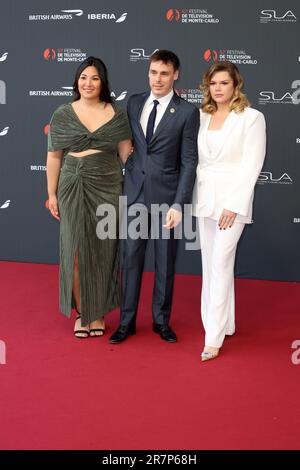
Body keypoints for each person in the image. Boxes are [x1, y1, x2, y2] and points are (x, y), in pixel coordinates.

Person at [109, 50, 199, 344]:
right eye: (153, 72)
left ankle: (161, 321)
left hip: (166, 200)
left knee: (165, 262)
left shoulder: (186, 111)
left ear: (176, 75)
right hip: (134, 194)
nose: (157, 79)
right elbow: (128, 142)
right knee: (130, 260)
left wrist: (179, 204)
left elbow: (188, 162)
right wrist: (129, 166)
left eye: (163, 73)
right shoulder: (134, 102)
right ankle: (127, 322)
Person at [46, 56, 132, 338]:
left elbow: (126, 156)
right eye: (83, 77)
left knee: (104, 250)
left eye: (94, 78)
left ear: (103, 82)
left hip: (107, 183)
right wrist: (51, 193)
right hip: (71, 184)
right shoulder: (62, 113)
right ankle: (84, 312)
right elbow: (54, 156)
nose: (88, 83)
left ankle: (98, 313)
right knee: (74, 249)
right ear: (77, 80)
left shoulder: (117, 113)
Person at [192, 61, 266, 361]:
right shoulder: (200, 116)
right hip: (204, 198)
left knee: (220, 263)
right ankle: (225, 323)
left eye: (224, 83)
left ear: (236, 85)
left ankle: (213, 338)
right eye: (213, 83)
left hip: (232, 203)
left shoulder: (251, 118)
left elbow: (252, 164)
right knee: (210, 263)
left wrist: (234, 205)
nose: (218, 88)